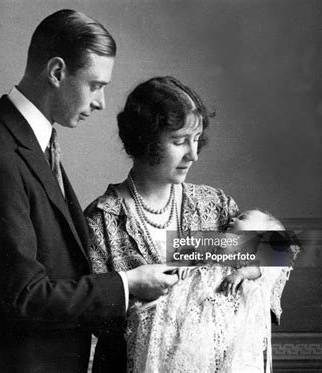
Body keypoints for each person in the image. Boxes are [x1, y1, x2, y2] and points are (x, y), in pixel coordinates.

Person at [0, 10, 177, 373]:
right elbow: (25, 297)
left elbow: (273, 250)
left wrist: (250, 254)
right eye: (95, 85)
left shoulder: (33, 145)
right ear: (57, 72)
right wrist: (127, 285)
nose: (101, 103)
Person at [85, 77, 294, 372]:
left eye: (196, 140)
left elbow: (279, 255)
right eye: (180, 141)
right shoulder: (103, 220)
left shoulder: (216, 205)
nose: (193, 155)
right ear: (144, 139)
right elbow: (96, 319)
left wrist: (247, 274)